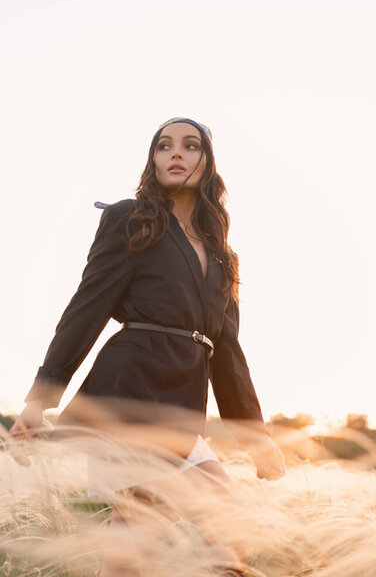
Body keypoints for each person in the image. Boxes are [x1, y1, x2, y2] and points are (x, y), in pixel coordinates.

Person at [9, 117, 286, 574]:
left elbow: (229, 352)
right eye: (164, 146)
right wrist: (40, 401)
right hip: (128, 390)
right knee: (218, 517)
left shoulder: (222, 254)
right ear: (152, 160)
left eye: (190, 145)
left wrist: (256, 438)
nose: (175, 153)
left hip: (180, 404)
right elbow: (86, 309)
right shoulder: (129, 218)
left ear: (207, 161)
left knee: (139, 536)